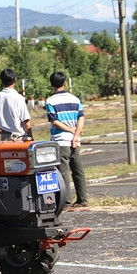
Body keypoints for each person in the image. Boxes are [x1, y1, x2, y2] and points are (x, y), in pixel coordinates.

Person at [46, 71, 88, 207]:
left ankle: (66, 201)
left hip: (60, 140)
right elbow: (81, 117)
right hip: (75, 141)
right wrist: (75, 135)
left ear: (51, 85)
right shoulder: (75, 99)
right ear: (65, 84)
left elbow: (54, 121)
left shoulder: (51, 101)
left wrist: (70, 130)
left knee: (63, 171)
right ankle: (82, 200)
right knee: (78, 170)